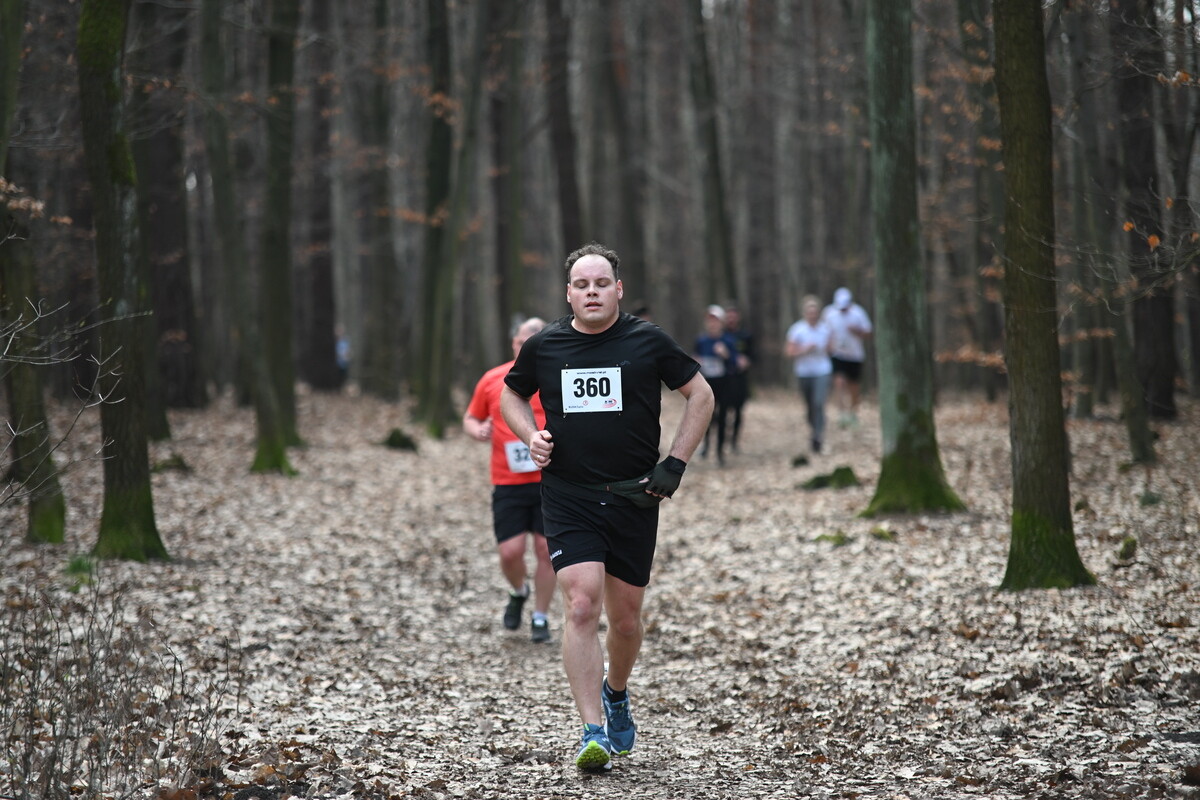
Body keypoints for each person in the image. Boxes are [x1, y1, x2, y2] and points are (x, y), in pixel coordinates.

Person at [500, 242, 714, 772]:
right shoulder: (545, 345)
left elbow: (702, 395)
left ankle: (617, 691)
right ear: (568, 292)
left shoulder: (647, 341)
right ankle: (591, 729)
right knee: (580, 604)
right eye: (581, 285)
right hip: (569, 495)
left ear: (618, 289)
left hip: (634, 496)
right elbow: (510, 396)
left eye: (601, 284)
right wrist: (531, 434)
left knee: (624, 621)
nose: (591, 292)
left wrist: (676, 464)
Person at [463, 317, 556, 643]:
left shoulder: (558, 375)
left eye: (535, 341)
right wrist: (479, 430)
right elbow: (471, 417)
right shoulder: (493, 379)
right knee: (509, 552)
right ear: (514, 344)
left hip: (552, 480)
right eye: (521, 342)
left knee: (547, 549)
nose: (526, 348)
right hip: (508, 481)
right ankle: (519, 591)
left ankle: (541, 616)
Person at [786, 295, 832, 455]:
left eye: (815, 312)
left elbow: (832, 349)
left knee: (819, 403)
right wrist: (805, 349)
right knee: (810, 406)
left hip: (822, 370)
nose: (812, 315)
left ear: (818, 313)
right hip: (804, 372)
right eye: (809, 312)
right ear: (805, 313)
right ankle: (814, 428)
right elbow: (789, 352)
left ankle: (818, 436)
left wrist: (826, 348)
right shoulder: (797, 329)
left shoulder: (825, 329)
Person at [822, 286, 873, 426]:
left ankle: (853, 413)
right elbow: (825, 332)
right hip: (838, 354)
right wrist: (828, 345)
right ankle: (842, 413)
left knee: (854, 387)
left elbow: (868, 333)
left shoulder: (858, 313)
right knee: (839, 382)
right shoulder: (829, 313)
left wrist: (856, 331)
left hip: (855, 355)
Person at [694, 305, 738, 465]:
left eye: (716, 321)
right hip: (706, 384)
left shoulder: (728, 340)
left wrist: (725, 354)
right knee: (707, 416)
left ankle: (720, 452)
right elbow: (694, 359)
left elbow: (735, 363)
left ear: (721, 323)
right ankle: (705, 446)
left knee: (723, 417)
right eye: (710, 320)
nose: (712, 324)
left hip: (724, 384)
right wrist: (696, 361)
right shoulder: (701, 340)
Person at [723, 303, 754, 452]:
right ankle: (720, 439)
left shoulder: (745, 335)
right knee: (719, 412)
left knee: (738, 411)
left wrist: (746, 361)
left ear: (738, 318)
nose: (731, 319)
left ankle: (734, 441)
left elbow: (753, 355)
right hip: (723, 379)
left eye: (733, 316)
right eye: (728, 317)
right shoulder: (720, 334)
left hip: (740, 379)